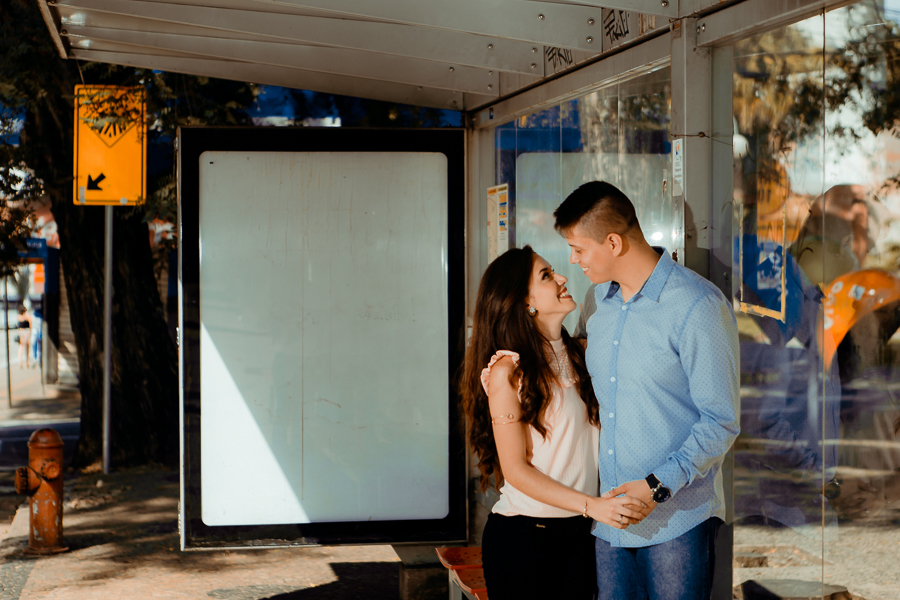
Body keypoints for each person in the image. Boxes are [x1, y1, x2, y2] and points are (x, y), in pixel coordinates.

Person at [554, 181, 740, 600]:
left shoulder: (697, 306)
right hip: (610, 525)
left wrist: (657, 486)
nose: (573, 260)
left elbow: (721, 422)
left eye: (579, 248)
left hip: (678, 522)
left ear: (614, 242)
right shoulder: (596, 301)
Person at [460, 245, 647, 600]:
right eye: (546, 276)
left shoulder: (582, 353)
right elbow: (514, 470)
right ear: (523, 300)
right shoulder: (507, 370)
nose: (562, 278)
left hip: (581, 535)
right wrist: (593, 506)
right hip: (524, 539)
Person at [16, 304, 32, 369]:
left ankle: (20, 362)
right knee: (27, 347)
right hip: (26, 332)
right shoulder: (27, 316)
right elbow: (31, 323)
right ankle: (27, 362)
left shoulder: (18, 316)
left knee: (21, 347)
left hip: (21, 332)